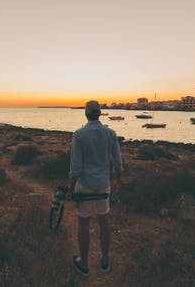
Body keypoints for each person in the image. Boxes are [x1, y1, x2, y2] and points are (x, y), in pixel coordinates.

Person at [67, 100, 124, 276]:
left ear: (85, 113)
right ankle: (105, 261)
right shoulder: (110, 133)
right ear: (100, 113)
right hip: (103, 186)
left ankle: (84, 265)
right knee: (104, 222)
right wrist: (117, 183)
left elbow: (75, 166)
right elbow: (118, 163)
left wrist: (71, 188)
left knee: (83, 225)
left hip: (84, 185)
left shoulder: (79, 135)